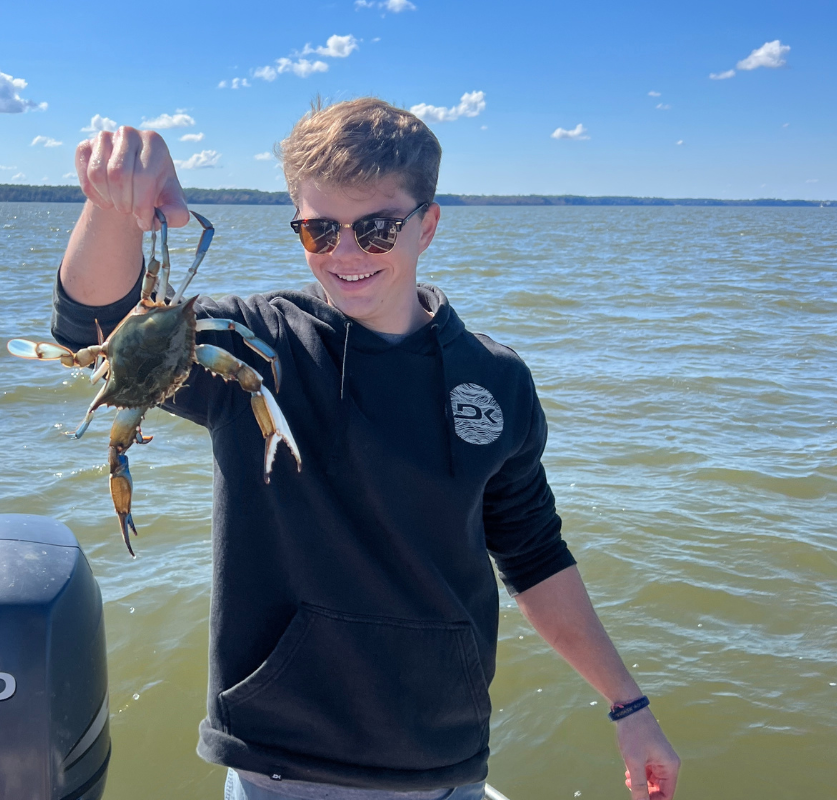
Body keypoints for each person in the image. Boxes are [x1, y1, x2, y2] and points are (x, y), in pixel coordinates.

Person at [51, 98, 680, 800]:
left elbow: (533, 555)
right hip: (283, 769)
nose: (346, 254)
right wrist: (115, 206)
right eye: (319, 230)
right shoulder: (256, 347)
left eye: (376, 229)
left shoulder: (495, 380)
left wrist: (629, 705)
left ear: (428, 224)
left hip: (447, 767)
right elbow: (93, 331)